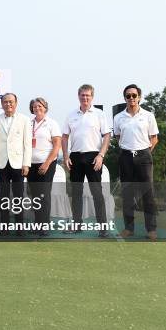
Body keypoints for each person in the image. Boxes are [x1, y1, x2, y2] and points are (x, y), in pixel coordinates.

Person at [62, 84, 110, 237]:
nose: (85, 98)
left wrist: (101, 155)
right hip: (75, 157)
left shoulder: (99, 114)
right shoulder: (71, 115)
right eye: (82, 95)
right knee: (76, 193)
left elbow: (107, 136)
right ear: (78, 96)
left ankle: (103, 228)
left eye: (88, 95)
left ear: (92, 97)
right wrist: (65, 155)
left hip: (94, 157)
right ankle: (77, 225)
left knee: (97, 193)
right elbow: (64, 137)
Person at [114, 84, 159, 241]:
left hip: (144, 156)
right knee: (127, 194)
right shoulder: (118, 117)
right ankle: (128, 228)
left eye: (134, 95)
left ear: (139, 97)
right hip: (126, 157)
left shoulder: (148, 116)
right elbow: (118, 138)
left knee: (148, 193)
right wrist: (130, 153)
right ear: (125, 98)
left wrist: (143, 153)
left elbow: (154, 138)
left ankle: (151, 229)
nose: (131, 98)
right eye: (128, 96)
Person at [0, 93, 32, 236]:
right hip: (1, 164)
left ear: (16, 103)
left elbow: (27, 144)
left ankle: (20, 227)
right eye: (5, 102)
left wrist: (26, 164)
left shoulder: (25, 120)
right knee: (3, 197)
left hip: (18, 164)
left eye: (11, 102)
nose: (8, 104)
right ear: (1, 104)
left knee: (18, 197)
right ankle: (4, 227)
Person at [26, 97, 61, 236]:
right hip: (31, 165)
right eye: (34, 106)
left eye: (40, 106)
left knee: (44, 195)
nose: (37, 108)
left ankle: (44, 225)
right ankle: (37, 224)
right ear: (32, 109)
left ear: (45, 107)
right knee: (34, 196)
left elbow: (57, 145)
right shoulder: (28, 124)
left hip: (46, 164)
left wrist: (46, 163)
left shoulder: (52, 123)